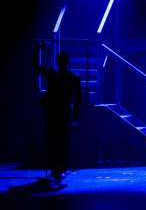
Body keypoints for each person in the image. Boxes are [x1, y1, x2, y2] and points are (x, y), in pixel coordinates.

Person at [33, 44, 82, 187]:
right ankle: (60, 168)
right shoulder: (73, 77)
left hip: (54, 112)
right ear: (68, 62)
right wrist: (76, 117)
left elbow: (35, 65)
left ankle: (57, 168)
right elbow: (78, 100)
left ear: (58, 61)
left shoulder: (53, 74)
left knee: (54, 140)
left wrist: (38, 49)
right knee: (62, 141)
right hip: (64, 112)